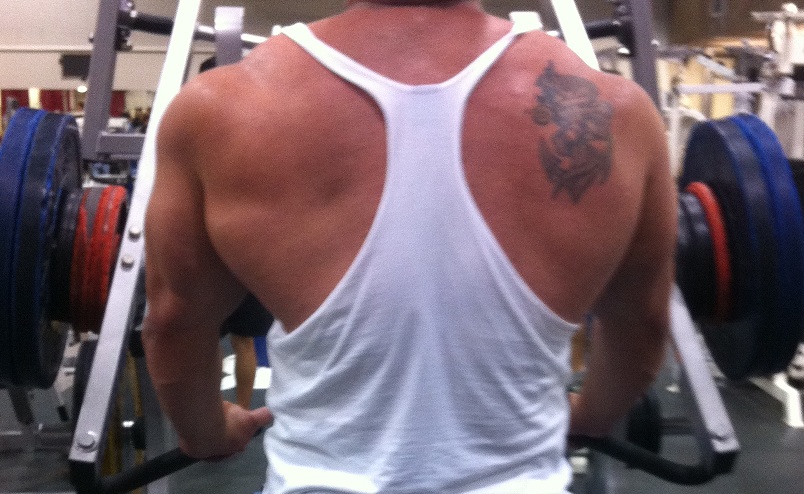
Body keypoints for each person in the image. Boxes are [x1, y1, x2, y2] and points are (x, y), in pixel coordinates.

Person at [142, 1, 676, 492]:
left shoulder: (220, 108)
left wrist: (207, 434)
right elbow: (643, 323)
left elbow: (173, 322)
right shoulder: (621, 113)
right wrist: (588, 418)